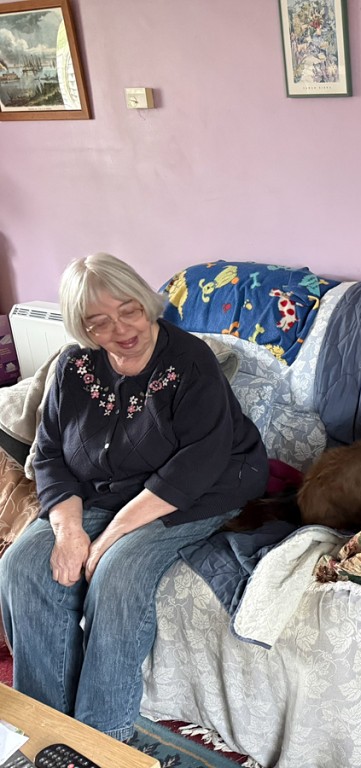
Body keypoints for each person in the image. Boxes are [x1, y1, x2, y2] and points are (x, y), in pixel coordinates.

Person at [0, 253, 269, 741]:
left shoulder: (191, 363)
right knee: (21, 565)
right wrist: (69, 530)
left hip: (200, 489)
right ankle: (44, 731)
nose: (122, 329)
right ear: (82, 327)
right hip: (100, 491)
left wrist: (106, 541)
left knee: (118, 574)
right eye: (99, 322)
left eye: (129, 310)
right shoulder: (73, 366)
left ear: (146, 302)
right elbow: (50, 454)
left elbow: (195, 467)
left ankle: (101, 740)